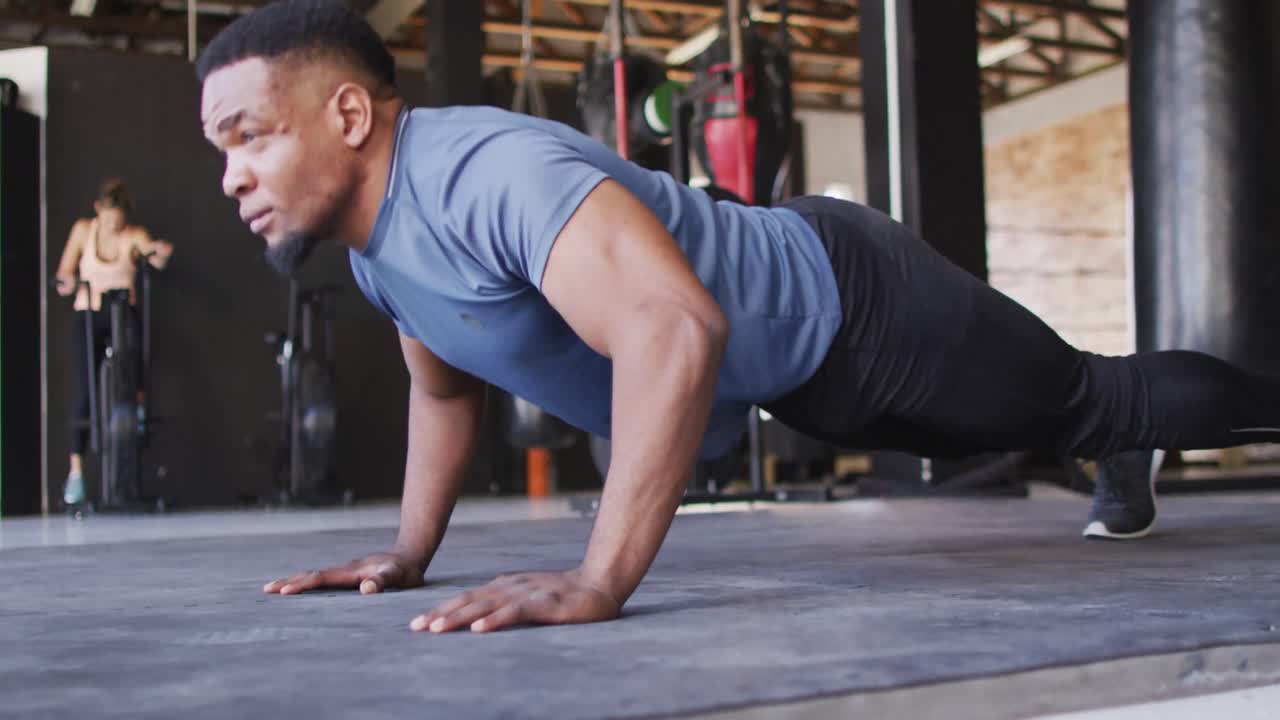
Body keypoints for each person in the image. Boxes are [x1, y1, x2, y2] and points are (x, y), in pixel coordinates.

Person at [197, 0, 1280, 633]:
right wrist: (407, 551)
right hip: (803, 376)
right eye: (220, 151)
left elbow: (675, 330)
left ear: (347, 113)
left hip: (859, 303)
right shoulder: (379, 256)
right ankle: (1110, 451)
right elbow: (442, 392)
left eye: (251, 136)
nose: (232, 176)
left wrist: (599, 579)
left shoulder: (487, 172)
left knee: (1094, 396)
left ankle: (1136, 431)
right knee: (1035, 421)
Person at [54, 178, 174, 506]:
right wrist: (67, 282)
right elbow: (65, 272)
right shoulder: (83, 231)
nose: (113, 225)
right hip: (89, 313)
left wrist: (159, 253)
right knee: (84, 391)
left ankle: (131, 448)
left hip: (122, 314)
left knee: (131, 384)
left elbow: (153, 255)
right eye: (108, 219)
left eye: (118, 220)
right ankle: (76, 473)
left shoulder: (134, 236)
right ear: (98, 210)